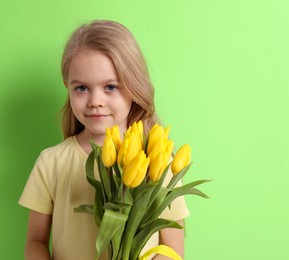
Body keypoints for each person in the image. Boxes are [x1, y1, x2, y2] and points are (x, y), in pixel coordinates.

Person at [18, 20, 190, 260]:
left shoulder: (156, 162)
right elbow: (35, 242)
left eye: (110, 87)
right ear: (67, 87)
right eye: (81, 88)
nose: (95, 101)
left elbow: (171, 247)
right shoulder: (51, 162)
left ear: (134, 86)